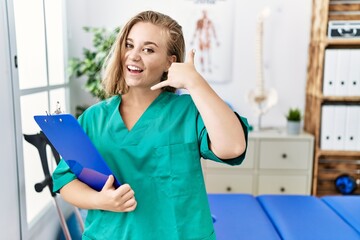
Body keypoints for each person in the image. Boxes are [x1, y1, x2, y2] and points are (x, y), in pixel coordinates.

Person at [52, 10, 248, 240]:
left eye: (148, 49)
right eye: (129, 45)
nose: (133, 56)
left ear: (170, 62)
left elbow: (233, 147)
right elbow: (66, 180)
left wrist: (195, 82)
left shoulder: (189, 112)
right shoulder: (94, 118)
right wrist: (100, 200)